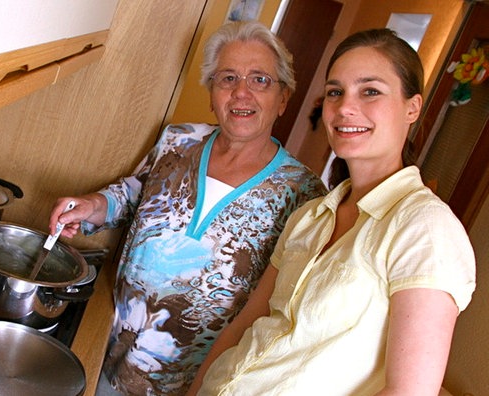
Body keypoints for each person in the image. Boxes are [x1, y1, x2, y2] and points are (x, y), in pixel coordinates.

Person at [188, 28, 477, 396]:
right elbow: (247, 323)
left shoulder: (425, 228)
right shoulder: (310, 217)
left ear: (412, 107)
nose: (344, 108)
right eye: (336, 92)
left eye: (370, 91)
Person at [47, 21, 326, 395]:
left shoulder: (304, 194)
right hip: (109, 350)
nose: (241, 92)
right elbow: (136, 193)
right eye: (227, 78)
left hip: (195, 385)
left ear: (283, 99)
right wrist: (93, 205)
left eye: (260, 80)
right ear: (212, 93)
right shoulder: (179, 140)